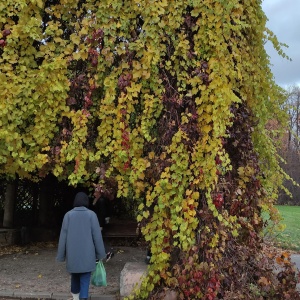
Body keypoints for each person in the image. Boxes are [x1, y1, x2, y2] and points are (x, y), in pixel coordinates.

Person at [56, 192, 106, 300]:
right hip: (87, 255)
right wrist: (101, 254)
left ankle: (75, 297)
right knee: (85, 277)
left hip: (72, 254)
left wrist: (61, 256)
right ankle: (83, 298)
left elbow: (63, 237)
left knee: (74, 276)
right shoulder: (91, 215)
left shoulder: (68, 215)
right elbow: (97, 236)